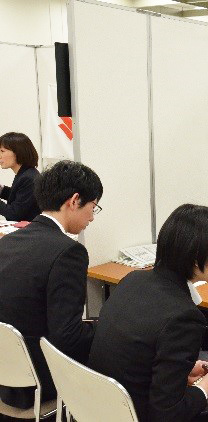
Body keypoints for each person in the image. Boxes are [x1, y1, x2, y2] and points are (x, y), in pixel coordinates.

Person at [88, 204, 208, 422]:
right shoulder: (184, 318)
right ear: (196, 257)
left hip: (98, 405)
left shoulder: (133, 280)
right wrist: (207, 385)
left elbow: (138, 351)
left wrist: (180, 369)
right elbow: (167, 413)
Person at [0, 160, 103, 409]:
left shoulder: (8, 241)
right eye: (93, 207)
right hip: (39, 382)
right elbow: (66, 337)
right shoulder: (69, 252)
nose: (92, 216)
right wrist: (106, 329)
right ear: (74, 200)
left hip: (7, 376)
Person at [0, 132, 41, 221]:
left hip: (30, 232)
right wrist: (1, 190)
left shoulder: (29, 178)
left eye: (2, 151)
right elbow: (18, 196)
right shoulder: (25, 174)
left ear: (18, 152)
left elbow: (14, 214)